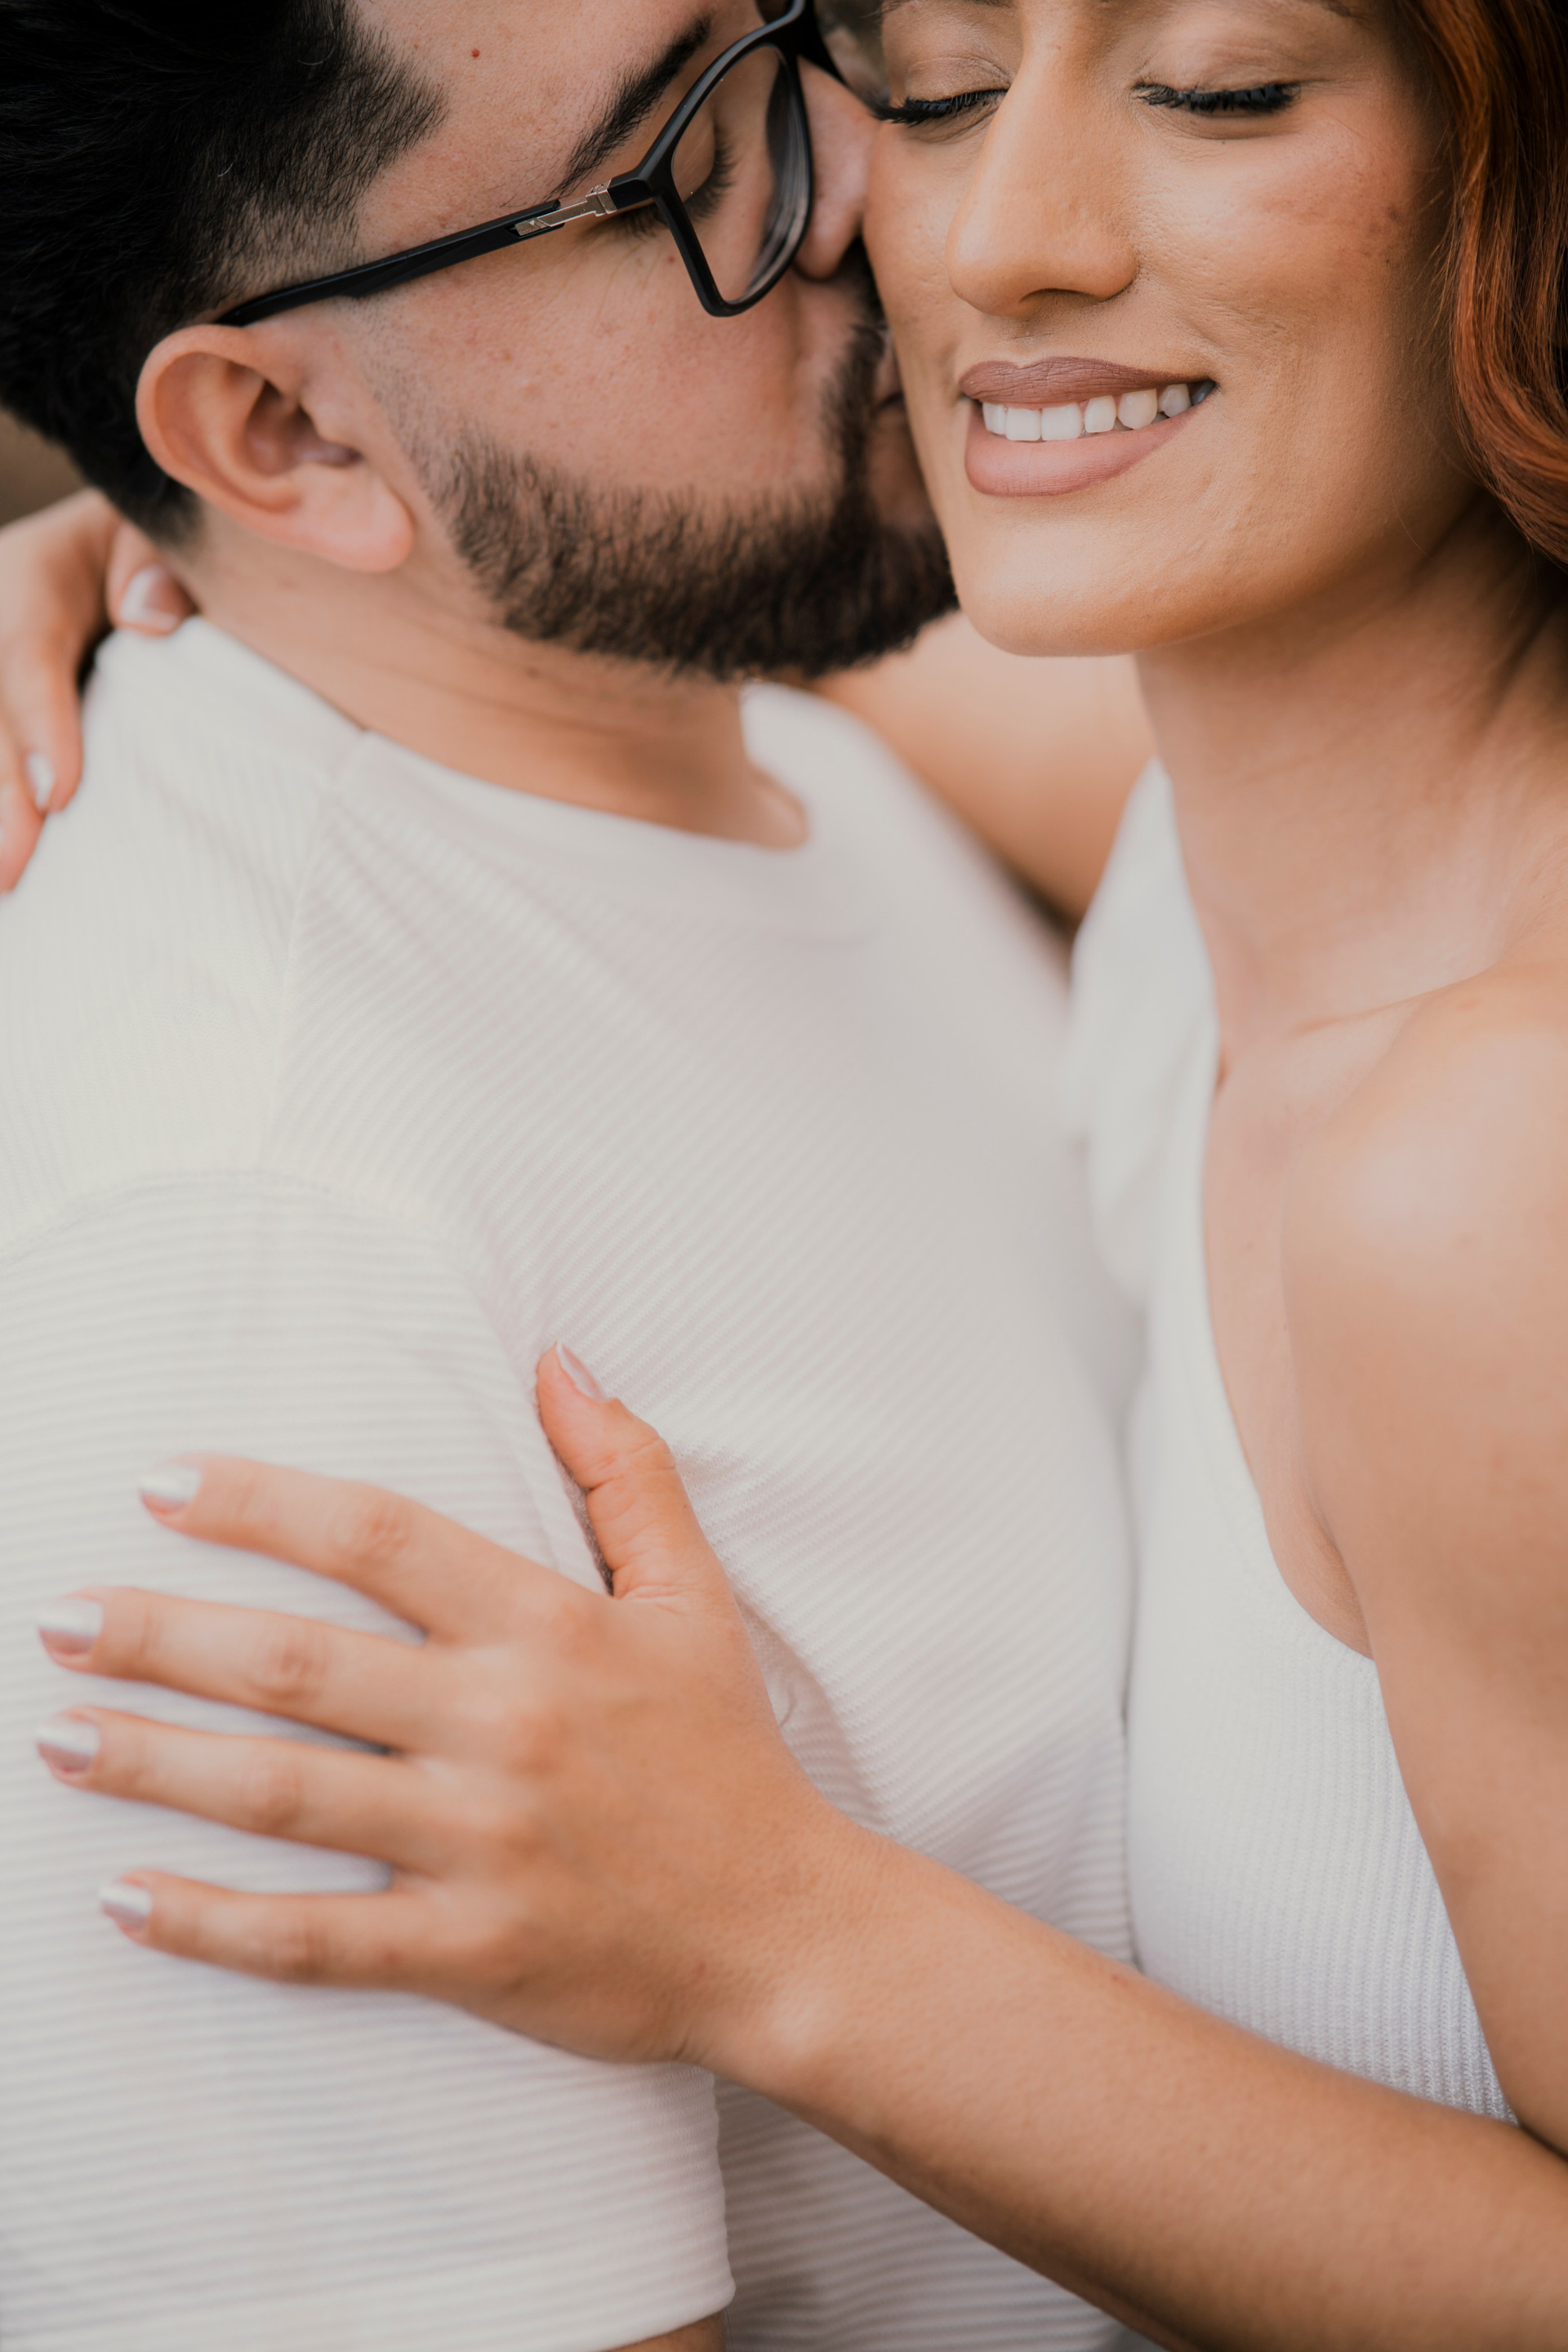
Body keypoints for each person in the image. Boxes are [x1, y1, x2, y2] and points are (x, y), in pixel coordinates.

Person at [12, 0, 1568, 2339]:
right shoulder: (1189, 844)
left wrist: (793, 1939)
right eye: (928, 72)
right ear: (283, 430)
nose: (909, 211)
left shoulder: (1444, 1108)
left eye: (1221, 88)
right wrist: (220, 560)